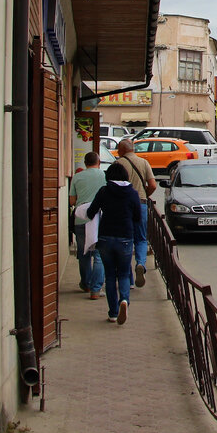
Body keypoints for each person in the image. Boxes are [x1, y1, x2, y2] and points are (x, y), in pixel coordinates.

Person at [89, 162, 144, 324]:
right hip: (125, 238)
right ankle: (124, 300)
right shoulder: (132, 193)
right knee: (124, 273)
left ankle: (113, 313)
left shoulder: (104, 191)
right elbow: (137, 218)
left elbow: (91, 211)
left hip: (105, 237)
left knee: (110, 276)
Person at [117, 138, 158, 289]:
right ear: (133, 149)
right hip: (140, 204)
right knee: (141, 239)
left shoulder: (118, 164)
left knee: (125, 240)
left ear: (121, 150)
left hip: (122, 206)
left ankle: (129, 280)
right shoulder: (143, 162)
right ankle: (140, 263)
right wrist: (144, 195)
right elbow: (153, 185)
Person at [69, 152, 106, 299]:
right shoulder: (104, 176)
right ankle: (96, 289)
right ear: (99, 162)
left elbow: (72, 201)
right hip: (100, 217)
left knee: (83, 254)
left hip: (81, 218)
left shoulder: (77, 177)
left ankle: (86, 283)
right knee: (99, 254)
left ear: (85, 163)